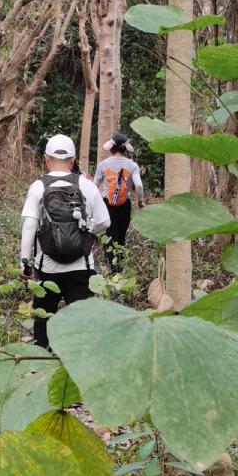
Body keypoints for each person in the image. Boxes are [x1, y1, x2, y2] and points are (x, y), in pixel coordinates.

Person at [20, 134, 110, 349]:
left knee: (43, 319)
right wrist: (86, 234)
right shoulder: (86, 186)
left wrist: (24, 261)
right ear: (73, 160)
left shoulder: (38, 187)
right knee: (82, 323)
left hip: (47, 268)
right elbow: (105, 222)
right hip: (82, 267)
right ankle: (79, 365)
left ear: (46, 159)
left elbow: (29, 225)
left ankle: (41, 361)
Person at [94, 132, 144, 270]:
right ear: (125, 148)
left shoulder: (103, 165)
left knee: (110, 236)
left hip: (106, 205)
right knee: (121, 236)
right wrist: (140, 201)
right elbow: (139, 185)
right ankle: (119, 266)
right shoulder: (132, 165)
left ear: (111, 148)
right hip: (125, 205)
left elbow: (94, 186)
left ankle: (114, 270)